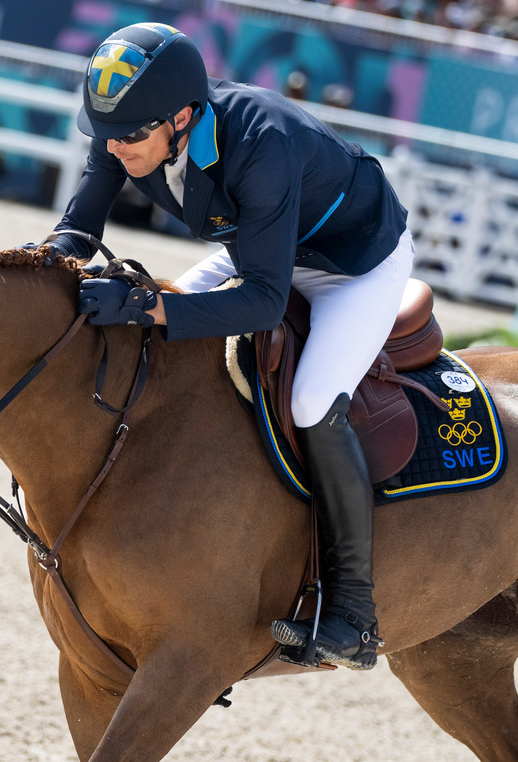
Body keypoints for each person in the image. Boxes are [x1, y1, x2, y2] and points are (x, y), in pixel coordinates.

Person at [46, 22, 413, 671]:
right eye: (105, 132)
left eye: (130, 137)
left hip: (350, 268)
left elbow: (267, 302)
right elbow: (77, 227)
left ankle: (354, 611)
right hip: (260, 249)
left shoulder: (260, 141)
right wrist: (40, 264)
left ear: (182, 117)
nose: (114, 147)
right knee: (163, 346)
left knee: (310, 400)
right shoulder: (128, 124)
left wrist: (149, 305)